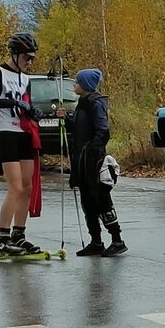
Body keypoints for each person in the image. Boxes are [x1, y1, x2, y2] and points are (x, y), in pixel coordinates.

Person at [0, 33, 42, 256]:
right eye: (27, 57)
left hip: (23, 131)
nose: (29, 62)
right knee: (15, 186)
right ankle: (2, 237)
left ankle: (19, 234)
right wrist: (11, 101)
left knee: (27, 187)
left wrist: (33, 110)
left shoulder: (26, 78)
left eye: (32, 58)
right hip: (5, 131)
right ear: (15, 55)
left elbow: (27, 103)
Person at [67, 68, 126, 257]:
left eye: (77, 81)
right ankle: (96, 241)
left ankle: (117, 240)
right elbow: (79, 128)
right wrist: (66, 119)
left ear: (85, 85)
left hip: (94, 160)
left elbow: (103, 130)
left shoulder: (95, 103)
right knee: (87, 201)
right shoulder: (82, 102)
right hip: (81, 161)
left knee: (101, 199)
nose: (74, 84)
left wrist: (93, 151)